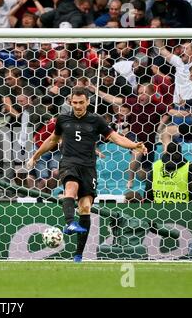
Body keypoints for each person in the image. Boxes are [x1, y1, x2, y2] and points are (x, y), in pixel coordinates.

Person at [26, 87, 147, 262]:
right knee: (70, 188)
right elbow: (52, 140)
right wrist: (35, 156)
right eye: (74, 103)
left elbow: (116, 138)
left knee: (85, 207)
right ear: (70, 102)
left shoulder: (96, 120)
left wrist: (134, 145)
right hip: (69, 163)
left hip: (89, 167)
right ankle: (70, 222)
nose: (78, 106)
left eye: (81, 102)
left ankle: (78, 254)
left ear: (88, 102)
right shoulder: (62, 119)